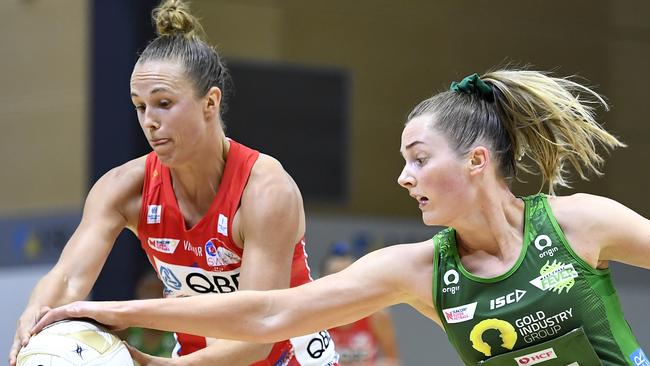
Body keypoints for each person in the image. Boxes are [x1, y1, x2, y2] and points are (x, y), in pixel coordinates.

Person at [32, 69, 650, 365]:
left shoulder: (580, 225)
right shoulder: (413, 270)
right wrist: (119, 315)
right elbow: (270, 311)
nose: (403, 178)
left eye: (417, 159)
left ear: (475, 162)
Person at [9, 0, 339, 365]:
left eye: (164, 103)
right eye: (140, 106)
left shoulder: (264, 190)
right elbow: (68, 279)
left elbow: (258, 334)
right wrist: (37, 318)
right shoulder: (124, 187)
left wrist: (156, 362)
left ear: (210, 103)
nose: (149, 120)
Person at [322, 242, 401, 366]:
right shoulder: (317, 317)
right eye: (335, 277)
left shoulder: (377, 314)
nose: (341, 286)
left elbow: (392, 361)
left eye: (347, 276)